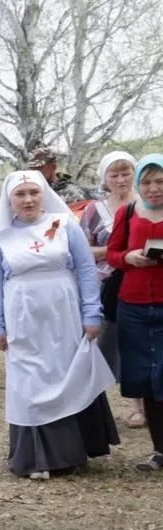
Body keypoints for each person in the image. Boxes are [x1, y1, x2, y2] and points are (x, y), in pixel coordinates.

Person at [0, 170, 119, 480]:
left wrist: (91, 314)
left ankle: (74, 450)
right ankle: (36, 458)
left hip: (64, 314)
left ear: (44, 193)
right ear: (9, 200)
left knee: (66, 374)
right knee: (30, 382)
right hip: (23, 318)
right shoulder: (0, 237)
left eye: (34, 192)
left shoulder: (64, 225)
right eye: (20, 194)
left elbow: (86, 270)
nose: (28, 199)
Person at [80, 150, 145, 428]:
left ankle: (143, 406)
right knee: (108, 343)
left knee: (142, 344)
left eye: (125, 173)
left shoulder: (147, 203)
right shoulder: (94, 211)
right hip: (107, 285)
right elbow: (82, 249)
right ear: (104, 178)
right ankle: (94, 407)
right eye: (114, 174)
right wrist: (117, 252)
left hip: (144, 282)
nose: (120, 179)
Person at [106, 154, 163, 471]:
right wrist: (129, 257)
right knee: (147, 380)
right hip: (134, 306)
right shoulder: (127, 213)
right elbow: (112, 255)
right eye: (147, 182)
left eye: (160, 181)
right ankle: (160, 451)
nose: (154, 188)